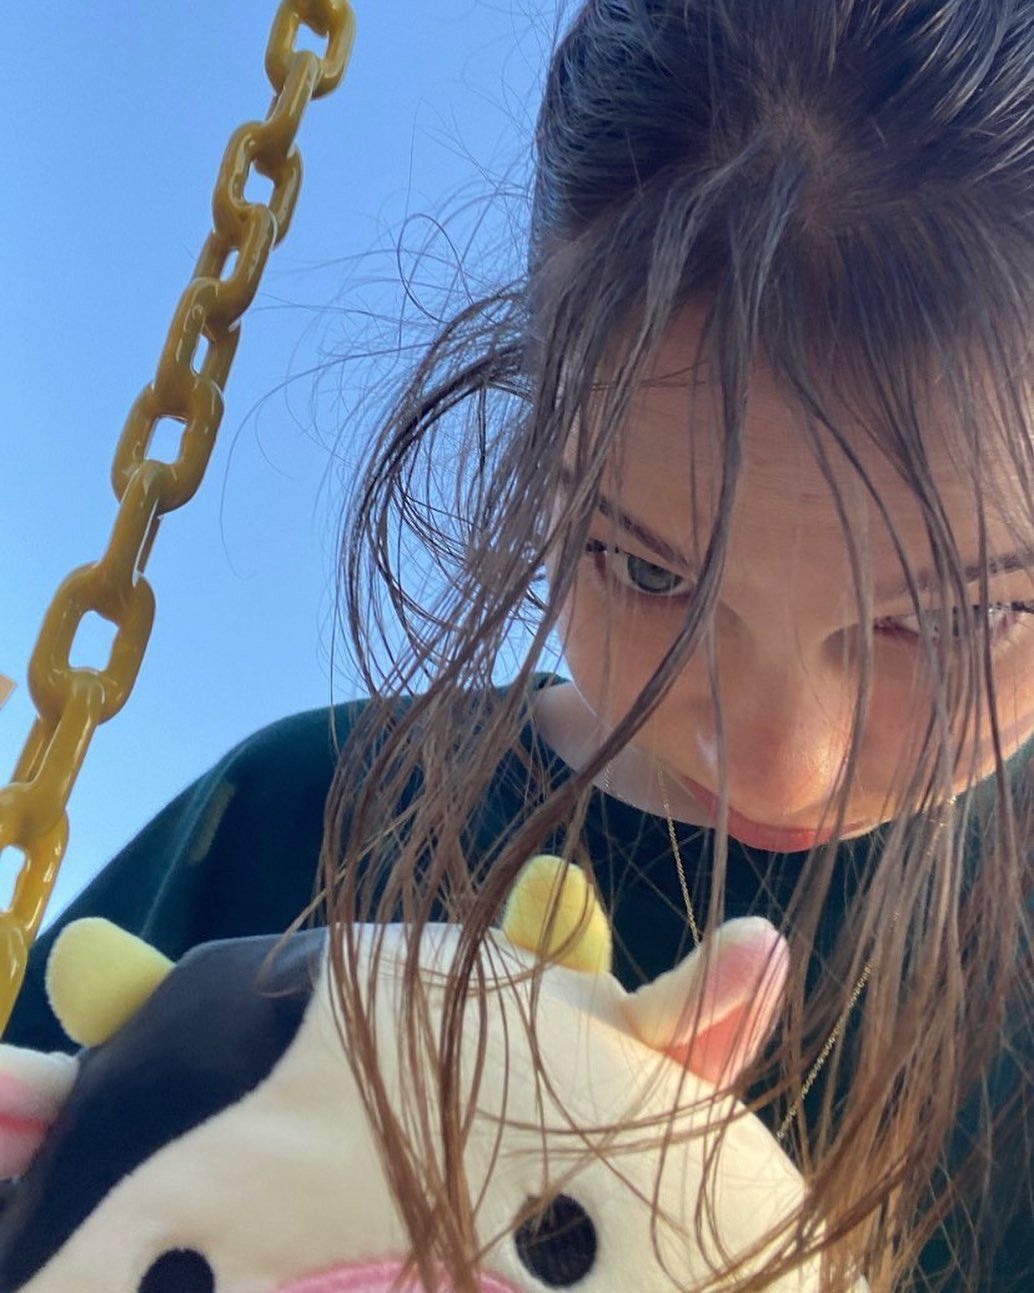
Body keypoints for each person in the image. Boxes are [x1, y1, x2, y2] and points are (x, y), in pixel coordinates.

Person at [6, 1, 1032, 1287]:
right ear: (537, 449)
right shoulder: (294, 817)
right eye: (649, 572)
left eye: (950, 622)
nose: (781, 762)